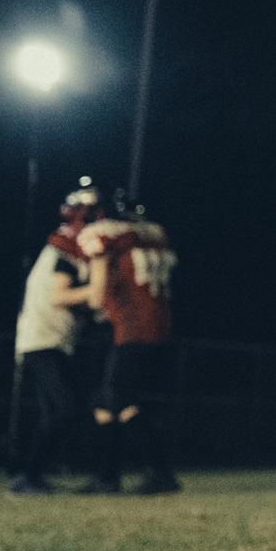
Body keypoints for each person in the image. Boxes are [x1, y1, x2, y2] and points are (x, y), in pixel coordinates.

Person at [76, 195, 180, 495]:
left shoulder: (108, 238)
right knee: (113, 402)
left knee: (114, 401)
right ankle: (113, 474)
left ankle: (152, 473)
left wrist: (64, 297)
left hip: (131, 330)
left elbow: (96, 298)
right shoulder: (152, 239)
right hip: (157, 330)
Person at [6, 179, 104, 495]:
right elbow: (60, 296)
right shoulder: (65, 252)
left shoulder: (67, 251)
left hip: (51, 340)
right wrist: (102, 293)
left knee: (62, 411)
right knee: (65, 409)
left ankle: (31, 476)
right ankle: (27, 476)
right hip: (42, 340)